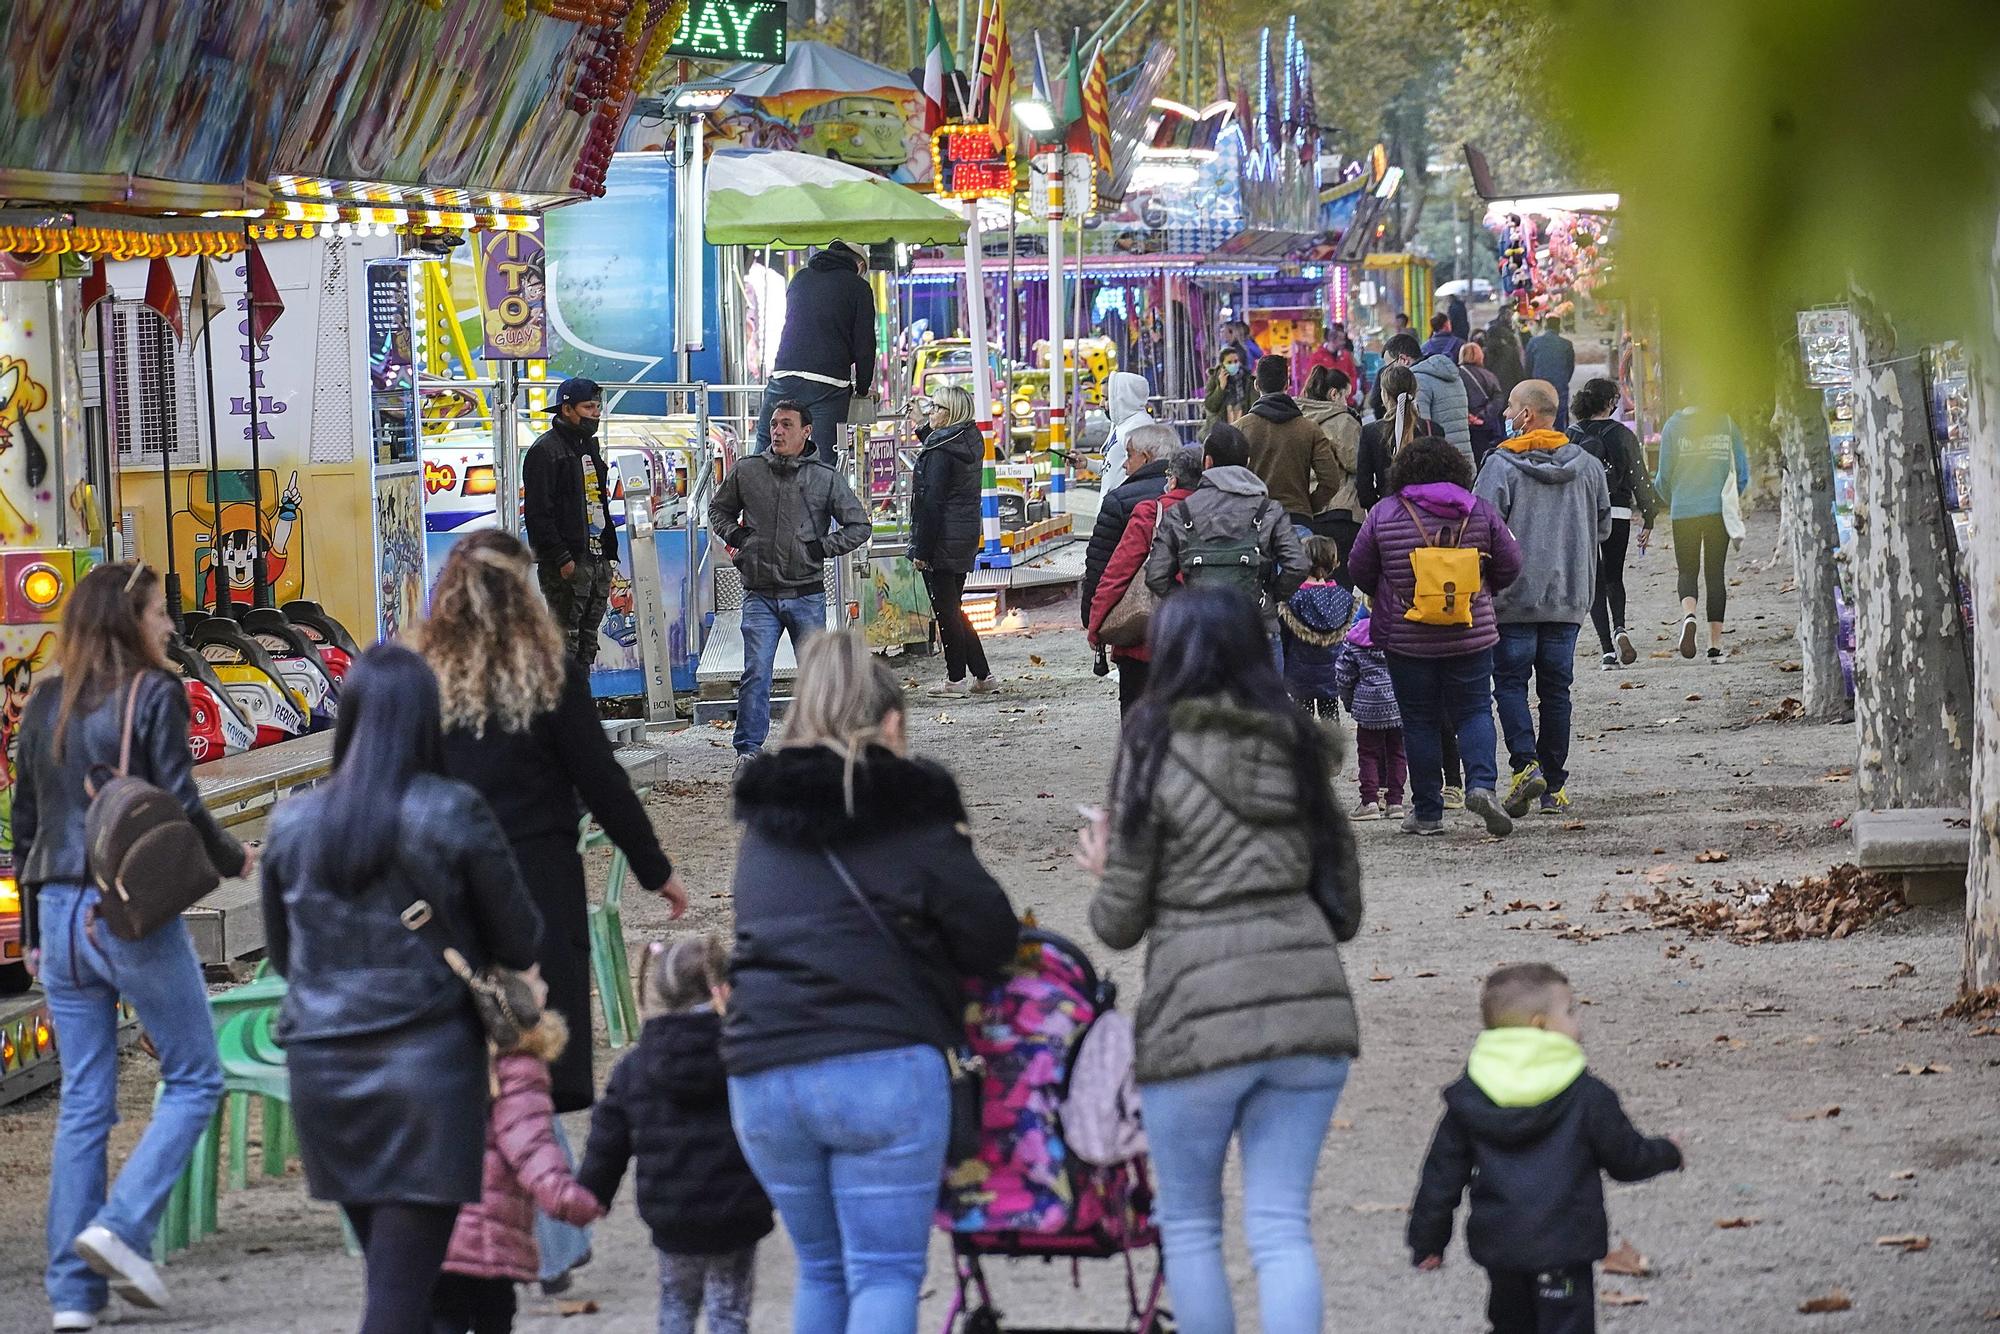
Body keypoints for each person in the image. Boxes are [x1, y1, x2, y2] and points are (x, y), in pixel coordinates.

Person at [1077, 586, 1362, 1334]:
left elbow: (1117, 925)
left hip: (1193, 1024)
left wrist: (1108, 864)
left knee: (1191, 1225)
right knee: (1280, 1226)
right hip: (1310, 1016)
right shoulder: (1301, 751)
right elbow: (1345, 910)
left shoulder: (1148, 749)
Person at [414, 530, 688, 1290]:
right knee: (527, 1053)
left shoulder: (424, 679)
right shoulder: (550, 674)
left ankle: (512, 1243)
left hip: (450, 887)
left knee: (473, 1057)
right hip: (536, 883)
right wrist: (653, 869)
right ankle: (553, 1245)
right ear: (523, 595)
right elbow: (601, 778)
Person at [725, 631, 1018, 1334]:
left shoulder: (761, 829)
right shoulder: (916, 812)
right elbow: (992, 940)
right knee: (883, 1273)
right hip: (883, 1067)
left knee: (822, 1272)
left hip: (762, 1075)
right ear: (891, 724)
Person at [261, 644, 542, 1334]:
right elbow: (519, 941)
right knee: (396, 1293)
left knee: (401, 1284)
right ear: (427, 720)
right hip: (428, 1077)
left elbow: (283, 957)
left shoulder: (291, 824)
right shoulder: (454, 811)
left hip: (322, 1075)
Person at [15, 562, 248, 1330]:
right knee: (194, 1076)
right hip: (125, 908)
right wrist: (230, 858)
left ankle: (72, 1299)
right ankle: (121, 1227)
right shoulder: (156, 694)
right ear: (127, 618)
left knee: (84, 1101)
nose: (171, 628)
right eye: (159, 613)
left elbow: (25, 822)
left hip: (55, 907)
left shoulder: (43, 698)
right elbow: (178, 801)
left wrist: (35, 931)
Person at [1409, 963, 1684, 1334]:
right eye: (1570, 1011)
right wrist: (1668, 1152)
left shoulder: (1471, 1097)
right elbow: (1625, 1159)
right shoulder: (1587, 1096)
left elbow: (1441, 1176)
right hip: (1564, 1246)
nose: (1578, 1022)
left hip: (1501, 1245)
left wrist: (1428, 1240)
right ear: (1541, 1025)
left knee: (1511, 1324)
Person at [580, 935, 774, 1334]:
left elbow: (607, 1140)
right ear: (721, 988)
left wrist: (591, 1193)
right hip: (738, 1209)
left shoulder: (634, 1067)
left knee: (677, 1301)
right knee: (729, 1308)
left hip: (672, 1215)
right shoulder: (744, 1053)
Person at [1347, 437, 1523, 837]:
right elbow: (1511, 565)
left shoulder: (1384, 513)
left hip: (1406, 637)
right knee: (1475, 710)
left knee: (1419, 720)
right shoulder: (1479, 510)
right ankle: (1481, 785)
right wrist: (1480, 589)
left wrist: (1388, 586)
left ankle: (1427, 812)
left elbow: (1358, 569)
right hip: (1469, 632)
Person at [707, 399, 872, 769]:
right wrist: (738, 536)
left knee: (816, 677)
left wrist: (821, 548)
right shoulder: (747, 471)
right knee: (756, 673)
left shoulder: (825, 477)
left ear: (806, 431)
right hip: (760, 593)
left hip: (806, 593)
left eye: (786, 425)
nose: (777, 431)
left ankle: (826, 747)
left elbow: (859, 525)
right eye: (774, 424)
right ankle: (748, 751)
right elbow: (717, 509)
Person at [1474, 380, 1610, 820]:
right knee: (1557, 691)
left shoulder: (1500, 466)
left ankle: (1524, 764)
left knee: (1510, 684)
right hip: (1570, 596)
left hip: (1512, 597)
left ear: (1527, 415)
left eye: (1512, 407)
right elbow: (1604, 526)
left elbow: (1480, 527)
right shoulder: (1588, 466)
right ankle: (1553, 786)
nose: (1507, 414)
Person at [431, 1005, 605, 1334]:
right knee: (493, 1314)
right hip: (488, 1244)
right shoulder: (516, 1068)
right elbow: (533, 1152)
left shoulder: (427, 1051)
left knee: (444, 1317)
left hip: (428, 1231)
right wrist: (576, 1202)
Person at [1144, 424, 1309, 654]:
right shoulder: (1268, 510)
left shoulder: (1182, 512)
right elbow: (1298, 565)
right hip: (1257, 627)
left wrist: (1189, 601)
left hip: (1200, 631)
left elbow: (1156, 575)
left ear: (1207, 462)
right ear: (1248, 463)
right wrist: (1270, 595)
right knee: (1261, 690)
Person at [1088, 445, 1203, 714]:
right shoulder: (1218, 512)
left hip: (1146, 639)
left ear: (1172, 479)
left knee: (1139, 722)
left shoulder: (1151, 513)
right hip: (1200, 635)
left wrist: (1097, 624)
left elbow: (1119, 571)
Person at [523, 376, 618, 669]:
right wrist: (562, 557)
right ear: (566, 409)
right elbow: (538, 514)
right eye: (588, 407)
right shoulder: (545, 451)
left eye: (597, 407)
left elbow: (599, 500)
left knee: (588, 641)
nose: (596, 413)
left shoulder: (589, 447)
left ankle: (581, 705)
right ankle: (563, 708)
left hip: (596, 557)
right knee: (565, 641)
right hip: (568, 562)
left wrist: (609, 553)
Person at [908, 386, 997, 697]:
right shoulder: (968, 440)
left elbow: (931, 502)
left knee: (947, 612)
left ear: (950, 413)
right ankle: (983, 675)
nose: (931, 413)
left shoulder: (942, 451)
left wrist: (922, 549)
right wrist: (922, 425)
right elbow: (939, 451)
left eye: (936, 408)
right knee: (954, 609)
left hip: (942, 538)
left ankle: (955, 679)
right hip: (963, 535)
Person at [1568, 378, 1661, 669]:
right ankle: (1620, 627)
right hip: (1616, 510)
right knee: (1614, 577)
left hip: (1582, 513)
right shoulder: (1622, 434)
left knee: (1593, 582)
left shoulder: (1570, 435)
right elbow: (1639, 477)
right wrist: (1649, 515)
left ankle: (1607, 651)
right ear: (1610, 403)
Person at [757, 240, 876, 460]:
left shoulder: (800, 278)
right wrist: (862, 388)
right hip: (829, 383)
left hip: (785, 372)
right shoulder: (858, 287)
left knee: (766, 445)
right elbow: (865, 344)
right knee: (821, 458)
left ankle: (752, 489)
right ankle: (815, 495)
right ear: (859, 266)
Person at [1654, 405, 1749, 663]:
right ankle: (1715, 646)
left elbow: (1663, 476)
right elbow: (1742, 471)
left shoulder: (1673, 426)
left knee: (1687, 571)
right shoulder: (1726, 422)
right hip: (1718, 509)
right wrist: (1732, 498)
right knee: (1715, 573)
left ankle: (1689, 616)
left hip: (1683, 509)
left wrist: (1674, 499)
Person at [1082, 422, 1176, 634]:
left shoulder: (1119, 501)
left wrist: (1092, 618)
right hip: (1184, 614)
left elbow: (1102, 564)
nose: (1125, 464)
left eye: (1129, 455)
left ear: (1146, 457)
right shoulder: (1194, 496)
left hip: (1134, 619)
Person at [1240, 353, 1343, 540]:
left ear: (1257, 385)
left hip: (1254, 522)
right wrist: (1309, 505)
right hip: (1298, 520)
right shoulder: (1309, 429)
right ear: (1287, 384)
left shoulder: (1240, 429)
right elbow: (1331, 481)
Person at [1335, 613, 1406, 821]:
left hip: (1368, 707)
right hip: (1397, 703)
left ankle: (1369, 801)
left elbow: (1344, 675)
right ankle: (1395, 802)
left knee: (1368, 753)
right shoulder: (1398, 635)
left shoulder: (1354, 638)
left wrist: (1349, 702)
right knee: (1398, 752)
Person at [1278, 535, 1355, 715]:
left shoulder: (1293, 599)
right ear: (1333, 562)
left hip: (1300, 675)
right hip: (1331, 675)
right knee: (1330, 717)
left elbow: (1283, 639)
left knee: (1303, 721)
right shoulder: (1343, 598)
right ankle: (1333, 743)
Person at [1299, 366, 1365, 564]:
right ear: (1334, 393)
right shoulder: (1342, 420)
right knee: (1342, 579)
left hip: (1306, 510)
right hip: (1341, 509)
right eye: (1346, 395)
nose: (1347, 402)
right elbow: (1355, 462)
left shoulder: (1297, 418)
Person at [1354, 364, 1433, 512]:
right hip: (1426, 514)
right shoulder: (1431, 430)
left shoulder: (1371, 432)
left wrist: (1377, 509)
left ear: (1384, 394)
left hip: (1388, 513)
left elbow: (1364, 488)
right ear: (1415, 392)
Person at [1096, 370, 1155, 493]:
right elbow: (1113, 468)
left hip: (1125, 506)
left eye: (1106, 398)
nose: (1101, 404)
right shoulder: (1122, 424)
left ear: (1122, 398)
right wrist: (1087, 464)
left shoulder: (1139, 426)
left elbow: (1137, 471)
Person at [1457, 343, 1506, 468]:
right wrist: (1482, 416)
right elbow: (1498, 399)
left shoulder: (1456, 376)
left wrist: (1467, 416)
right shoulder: (1489, 375)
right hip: (1484, 426)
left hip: (1464, 425)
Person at [1524, 316, 1577, 429]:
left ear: (1545, 326)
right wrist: (1564, 380)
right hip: (1559, 385)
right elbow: (1570, 367)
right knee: (1559, 415)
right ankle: (1559, 441)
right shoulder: (1566, 344)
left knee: (1539, 415)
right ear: (1559, 327)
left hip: (1539, 385)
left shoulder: (1534, 342)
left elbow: (1528, 366)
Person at [1202, 345, 1253, 429]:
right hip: (1222, 429)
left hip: (1243, 427)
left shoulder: (1247, 378)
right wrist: (1221, 387)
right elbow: (1210, 406)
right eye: (1229, 362)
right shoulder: (1215, 378)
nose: (1233, 364)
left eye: (1236, 361)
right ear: (1222, 364)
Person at [1481, 311, 1527, 397]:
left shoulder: (1483, 353)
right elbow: (1518, 372)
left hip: (1491, 392)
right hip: (1509, 391)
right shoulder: (1510, 351)